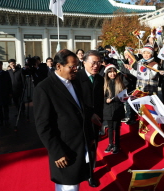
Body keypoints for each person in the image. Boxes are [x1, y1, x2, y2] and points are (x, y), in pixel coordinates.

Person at [33, 49, 96, 191]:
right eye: (72, 67)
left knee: (77, 183)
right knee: (68, 187)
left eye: (77, 66)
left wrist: (90, 136)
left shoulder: (75, 82)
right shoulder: (44, 88)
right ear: (59, 66)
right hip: (65, 149)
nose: (75, 70)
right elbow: (43, 125)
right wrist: (57, 152)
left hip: (81, 146)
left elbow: (82, 111)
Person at [75, 50, 104, 187]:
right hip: (80, 121)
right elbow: (76, 101)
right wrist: (88, 113)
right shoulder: (76, 78)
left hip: (95, 121)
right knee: (80, 148)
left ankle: (90, 174)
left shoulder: (100, 78)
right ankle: (80, 171)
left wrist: (100, 119)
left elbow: (100, 102)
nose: (96, 66)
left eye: (99, 63)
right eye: (93, 62)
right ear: (84, 62)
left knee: (92, 147)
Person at [103, 64, 125, 154]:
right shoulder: (104, 83)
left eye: (114, 72)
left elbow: (124, 95)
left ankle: (117, 145)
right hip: (108, 109)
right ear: (107, 73)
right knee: (110, 127)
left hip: (117, 108)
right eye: (110, 72)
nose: (112, 74)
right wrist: (105, 100)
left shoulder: (120, 82)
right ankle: (110, 143)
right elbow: (100, 97)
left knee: (117, 127)